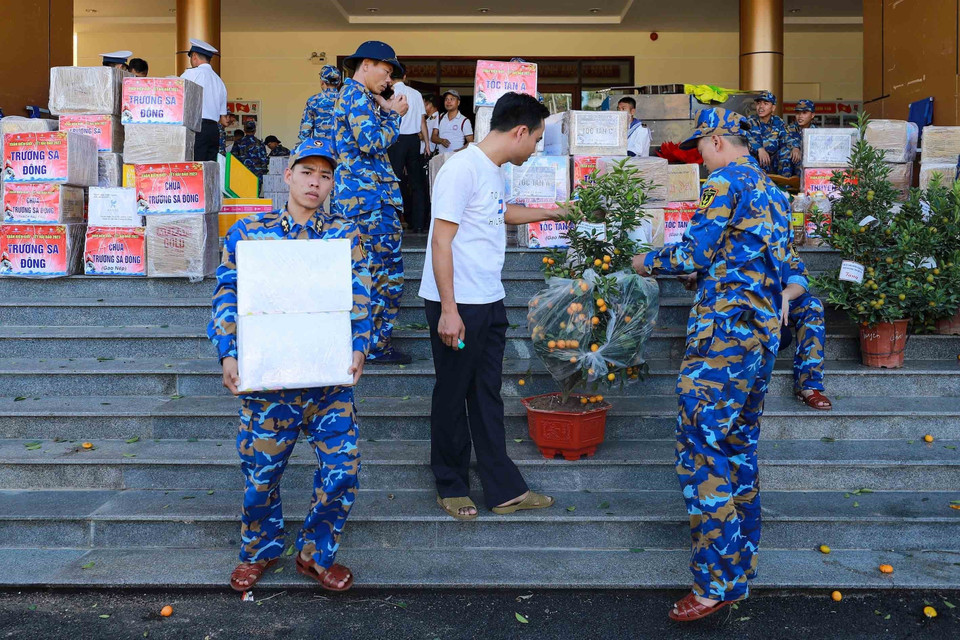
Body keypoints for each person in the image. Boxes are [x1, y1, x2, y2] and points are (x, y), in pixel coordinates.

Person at [631, 108, 793, 621]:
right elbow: (755, 262)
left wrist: (645, 261)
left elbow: (693, 254)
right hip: (760, 337)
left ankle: (712, 585)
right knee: (739, 450)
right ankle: (739, 573)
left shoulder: (723, 182)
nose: (699, 155)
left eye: (701, 145)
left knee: (702, 452)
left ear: (720, 140)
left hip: (721, 340)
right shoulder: (774, 193)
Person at [210, 136, 370, 594]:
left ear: (332, 184)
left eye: (325, 176)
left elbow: (361, 295)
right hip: (268, 380)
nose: (315, 183)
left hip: (328, 382)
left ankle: (315, 554)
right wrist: (228, 352)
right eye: (307, 172)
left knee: (343, 471)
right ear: (288, 175)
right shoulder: (249, 233)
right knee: (261, 478)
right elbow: (227, 293)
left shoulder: (344, 236)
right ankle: (259, 550)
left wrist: (359, 347)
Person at [420, 92, 562, 520]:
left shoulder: (492, 170)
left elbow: (500, 214)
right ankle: (451, 484)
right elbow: (440, 240)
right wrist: (449, 310)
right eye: (535, 138)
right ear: (519, 132)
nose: (535, 147)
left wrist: (556, 212)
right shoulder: (460, 168)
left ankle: (503, 490)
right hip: (458, 303)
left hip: (488, 299)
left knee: (486, 394)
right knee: (452, 394)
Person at [333, 41, 412, 365]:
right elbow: (371, 142)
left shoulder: (358, 97)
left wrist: (383, 108)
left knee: (375, 274)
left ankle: (369, 342)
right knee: (383, 277)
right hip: (369, 204)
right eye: (387, 71)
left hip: (367, 201)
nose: (389, 80)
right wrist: (393, 116)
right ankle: (374, 345)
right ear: (366, 64)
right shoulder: (355, 96)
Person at [388, 73, 431, 233]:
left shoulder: (391, 93)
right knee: (417, 183)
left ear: (390, 77)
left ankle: (395, 221)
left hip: (396, 140)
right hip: (414, 140)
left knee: (394, 181)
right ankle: (418, 223)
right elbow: (422, 121)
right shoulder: (416, 94)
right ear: (405, 76)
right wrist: (427, 144)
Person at [179, 38, 229, 162]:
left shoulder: (190, 74)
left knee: (194, 166)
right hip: (213, 130)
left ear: (194, 56)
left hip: (196, 127)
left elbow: (177, 98)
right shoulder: (219, 81)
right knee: (209, 167)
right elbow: (223, 118)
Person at [745, 91, 792, 177]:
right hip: (755, 160)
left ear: (773, 108)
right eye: (758, 103)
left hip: (773, 162)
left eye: (765, 104)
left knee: (786, 151)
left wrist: (795, 147)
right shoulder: (749, 121)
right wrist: (759, 148)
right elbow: (742, 135)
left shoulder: (779, 122)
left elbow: (787, 139)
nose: (761, 106)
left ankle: (784, 182)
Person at [299, 65, 342, 145]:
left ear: (322, 81)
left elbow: (305, 132)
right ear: (339, 83)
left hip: (321, 148)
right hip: (342, 149)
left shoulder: (313, 101)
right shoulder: (346, 100)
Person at [786, 99, 817, 176]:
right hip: (790, 166)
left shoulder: (816, 132)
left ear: (812, 115)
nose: (800, 116)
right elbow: (786, 139)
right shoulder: (789, 129)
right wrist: (795, 147)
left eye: (804, 113)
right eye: (798, 113)